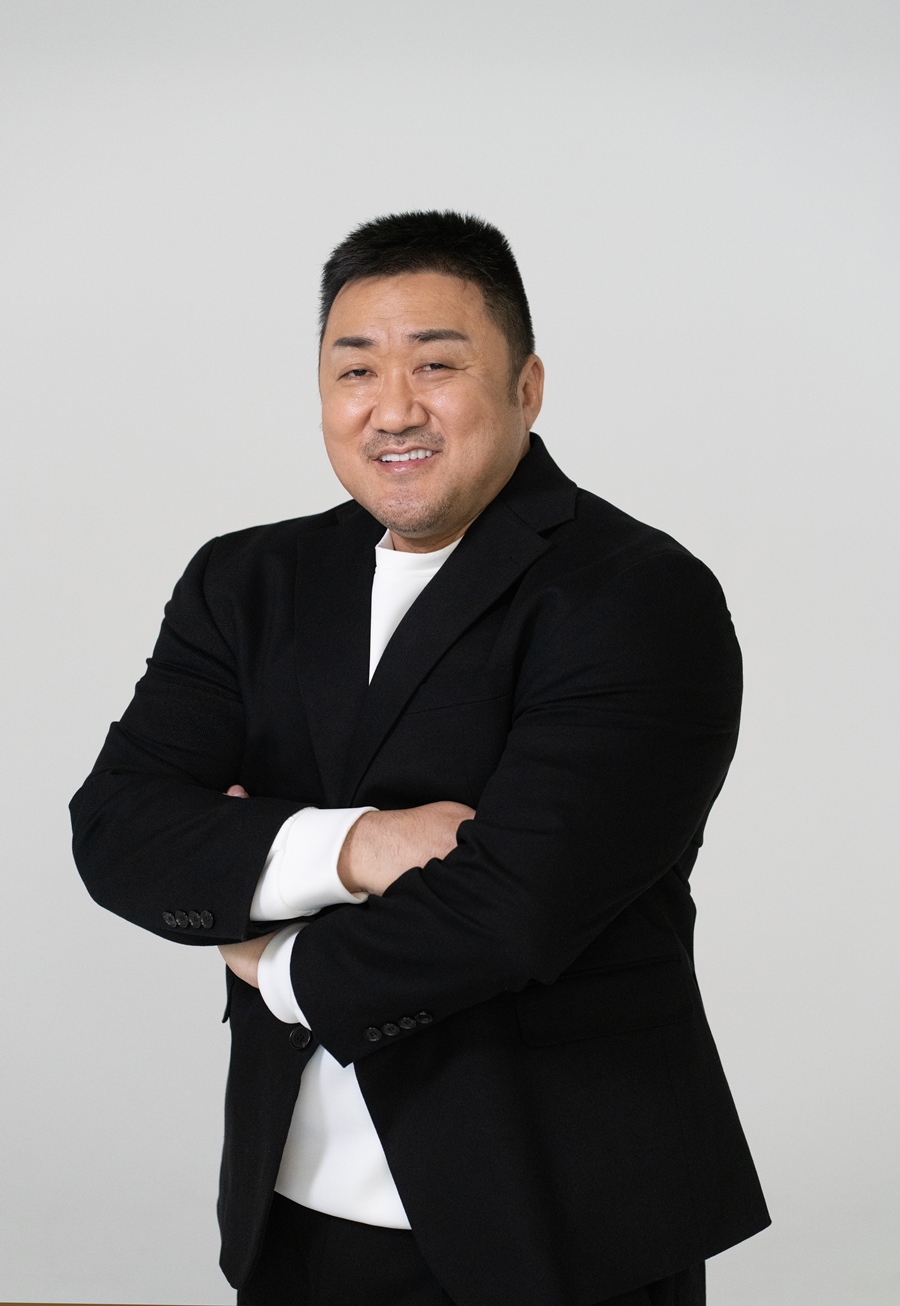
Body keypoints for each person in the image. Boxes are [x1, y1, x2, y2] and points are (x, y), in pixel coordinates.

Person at [70, 210, 770, 1306]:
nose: (393, 408)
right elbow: (118, 828)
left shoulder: (634, 595)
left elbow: (515, 907)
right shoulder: (245, 582)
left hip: (553, 1223)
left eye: (437, 365)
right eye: (356, 370)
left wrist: (273, 959)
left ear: (527, 387)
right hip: (290, 1210)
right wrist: (358, 847)